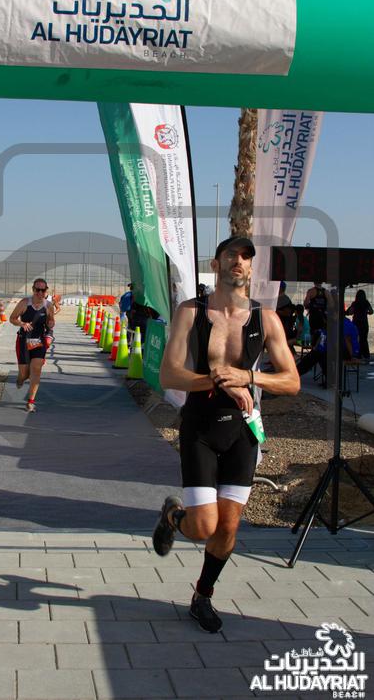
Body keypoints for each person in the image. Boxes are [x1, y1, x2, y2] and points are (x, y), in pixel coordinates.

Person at [152, 236, 299, 633]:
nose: (239, 261)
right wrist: (218, 379)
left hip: (242, 431)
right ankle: (173, 515)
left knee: (228, 527)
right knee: (203, 527)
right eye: (231, 255)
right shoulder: (191, 311)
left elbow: (291, 381)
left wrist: (248, 376)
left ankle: (202, 595)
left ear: (251, 268)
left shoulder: (266, 319)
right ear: (216, 264)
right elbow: (169, 375)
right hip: (200, 427)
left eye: (246, 257)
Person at [10, 278, 55, 412]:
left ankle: (30, 402)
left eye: (43, 290)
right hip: (23, 341)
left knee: (36, 370)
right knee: (24, 374)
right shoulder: (24, 303)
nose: (40, 293)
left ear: (46, 291)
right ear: (33, 290)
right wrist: (22, 323)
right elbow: (12, 318)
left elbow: (51, 322)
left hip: (39, 341)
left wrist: (51, 324)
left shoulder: (49, 305)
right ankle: (20, 379)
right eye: (37, 290)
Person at [346, 289, 373, 361]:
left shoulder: (355, 303)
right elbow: (371, 311)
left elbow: (350, 312)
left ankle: (358, 355)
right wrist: (366, 313)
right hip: (364, 324)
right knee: (364, 339)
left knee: (356, 339)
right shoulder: (366, 302)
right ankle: (366, 355)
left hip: (356, 324)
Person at [275, 281, 297, 352]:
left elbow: (287, 313)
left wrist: (274, 311)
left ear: (280, 288)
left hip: (284, 325)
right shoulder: (279, 298)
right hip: (280, 325)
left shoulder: (284, 299)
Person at [304, 282, 327, 347]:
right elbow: (331, 304)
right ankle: (321, 347)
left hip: (314, 316)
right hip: (323, 317)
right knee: (323, 332)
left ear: (314, 282)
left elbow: (305, 303)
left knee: (313, 333)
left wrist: (311, 306)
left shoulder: (311, 291)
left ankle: (314, 348)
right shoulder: (326, 292)